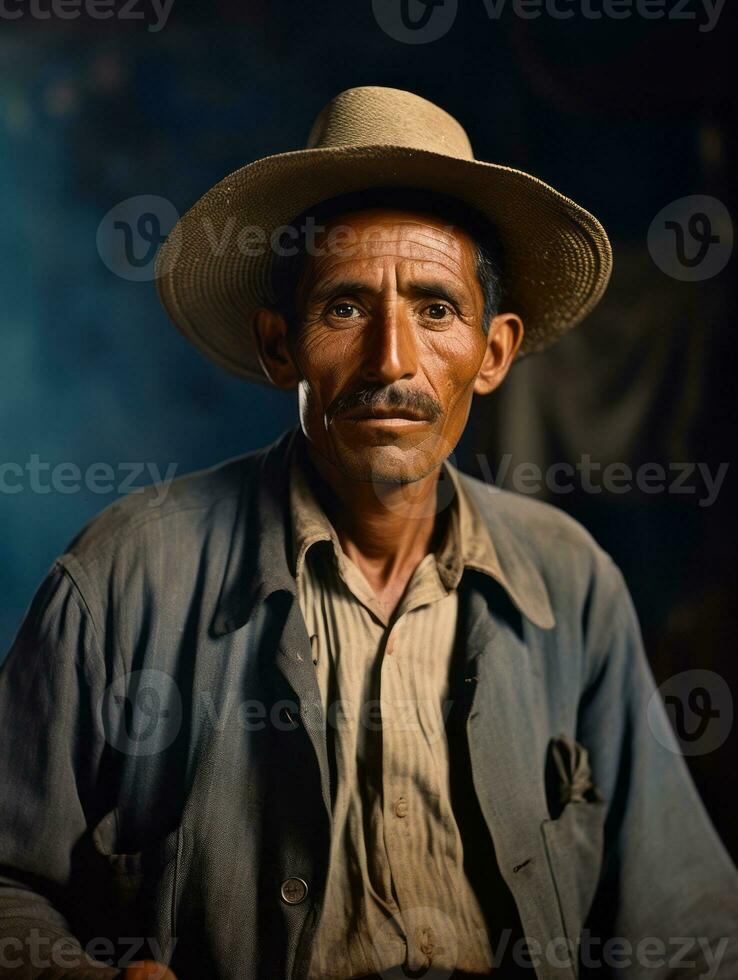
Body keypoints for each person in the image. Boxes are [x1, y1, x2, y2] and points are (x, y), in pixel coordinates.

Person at [1, 86, 736, 980]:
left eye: (435, 310)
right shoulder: (124, 579)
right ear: (280, 347)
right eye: (345, 308)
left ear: (494, 352)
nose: (393, 360)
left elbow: (693, 929)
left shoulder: (571, 582)